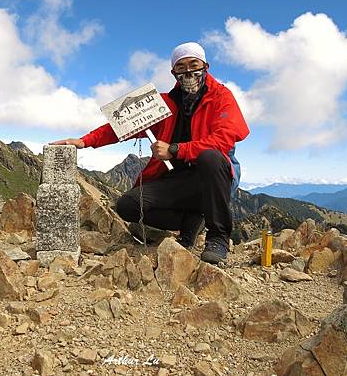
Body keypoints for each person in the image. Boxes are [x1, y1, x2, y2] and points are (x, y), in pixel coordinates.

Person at [52, 42, 249, 264]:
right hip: (176, 178)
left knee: (210, 157)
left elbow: (224, 139)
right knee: (127, 206)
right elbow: (121, 127)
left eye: (194, 64)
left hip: (214, 177)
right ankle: (190, 220)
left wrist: (174, 149)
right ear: (173, 72)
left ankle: (218, 237)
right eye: (181, 67)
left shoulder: (221, 96)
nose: (188, 72)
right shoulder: (162, 103)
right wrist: (84, 141)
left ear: (206, 66)